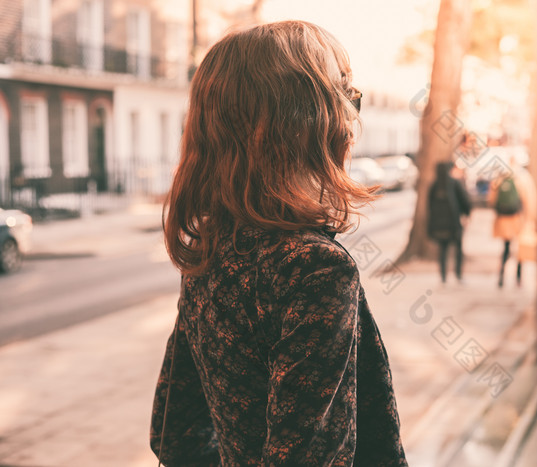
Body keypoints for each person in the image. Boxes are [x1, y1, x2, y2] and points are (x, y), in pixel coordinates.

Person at [150, 21, 407, 466]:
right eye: (344, 93)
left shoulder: (212, 249)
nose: (352, 113)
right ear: (303, 120)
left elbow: (174, 434)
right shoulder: (315, 268)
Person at [488, 157, 537, 288]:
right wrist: (531, 219)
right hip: (518, 219)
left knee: (506, 248)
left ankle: (501, 277)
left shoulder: (499, 178)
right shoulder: (523, 178)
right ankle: (518, 278)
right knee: (520, 249)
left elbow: (491, 200)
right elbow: (530, 201)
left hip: (503, 220)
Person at [427, 161, 472, 284]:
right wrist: (466, 215)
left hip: (439, 226)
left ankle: (443, 276)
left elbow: (429, 206)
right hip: (454, 224)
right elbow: (465, 201)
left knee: (443, 250)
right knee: (458, 249)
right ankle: (458, 274)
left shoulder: (434, 185)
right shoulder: (454, 183)